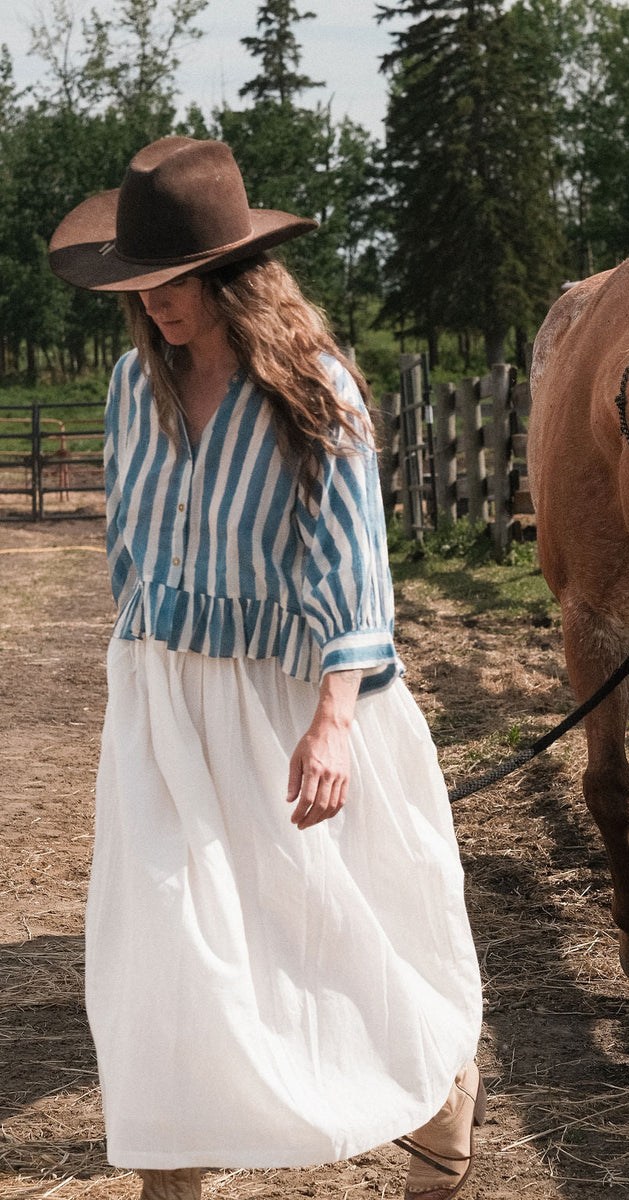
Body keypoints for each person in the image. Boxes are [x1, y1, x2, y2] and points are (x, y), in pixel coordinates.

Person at [48, 136, 484, 1200]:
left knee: (343, 936)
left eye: (176, 283)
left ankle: (438, 1126)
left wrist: (335, 720)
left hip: (290, 705)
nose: (154, 305)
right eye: (140, 285)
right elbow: (131, 557)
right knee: (164, 953)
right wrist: (146, 674)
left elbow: (355, 571)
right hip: (159, 702)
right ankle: (172, 1180)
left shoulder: (315, 391)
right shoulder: (127, 387)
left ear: (235, 275)